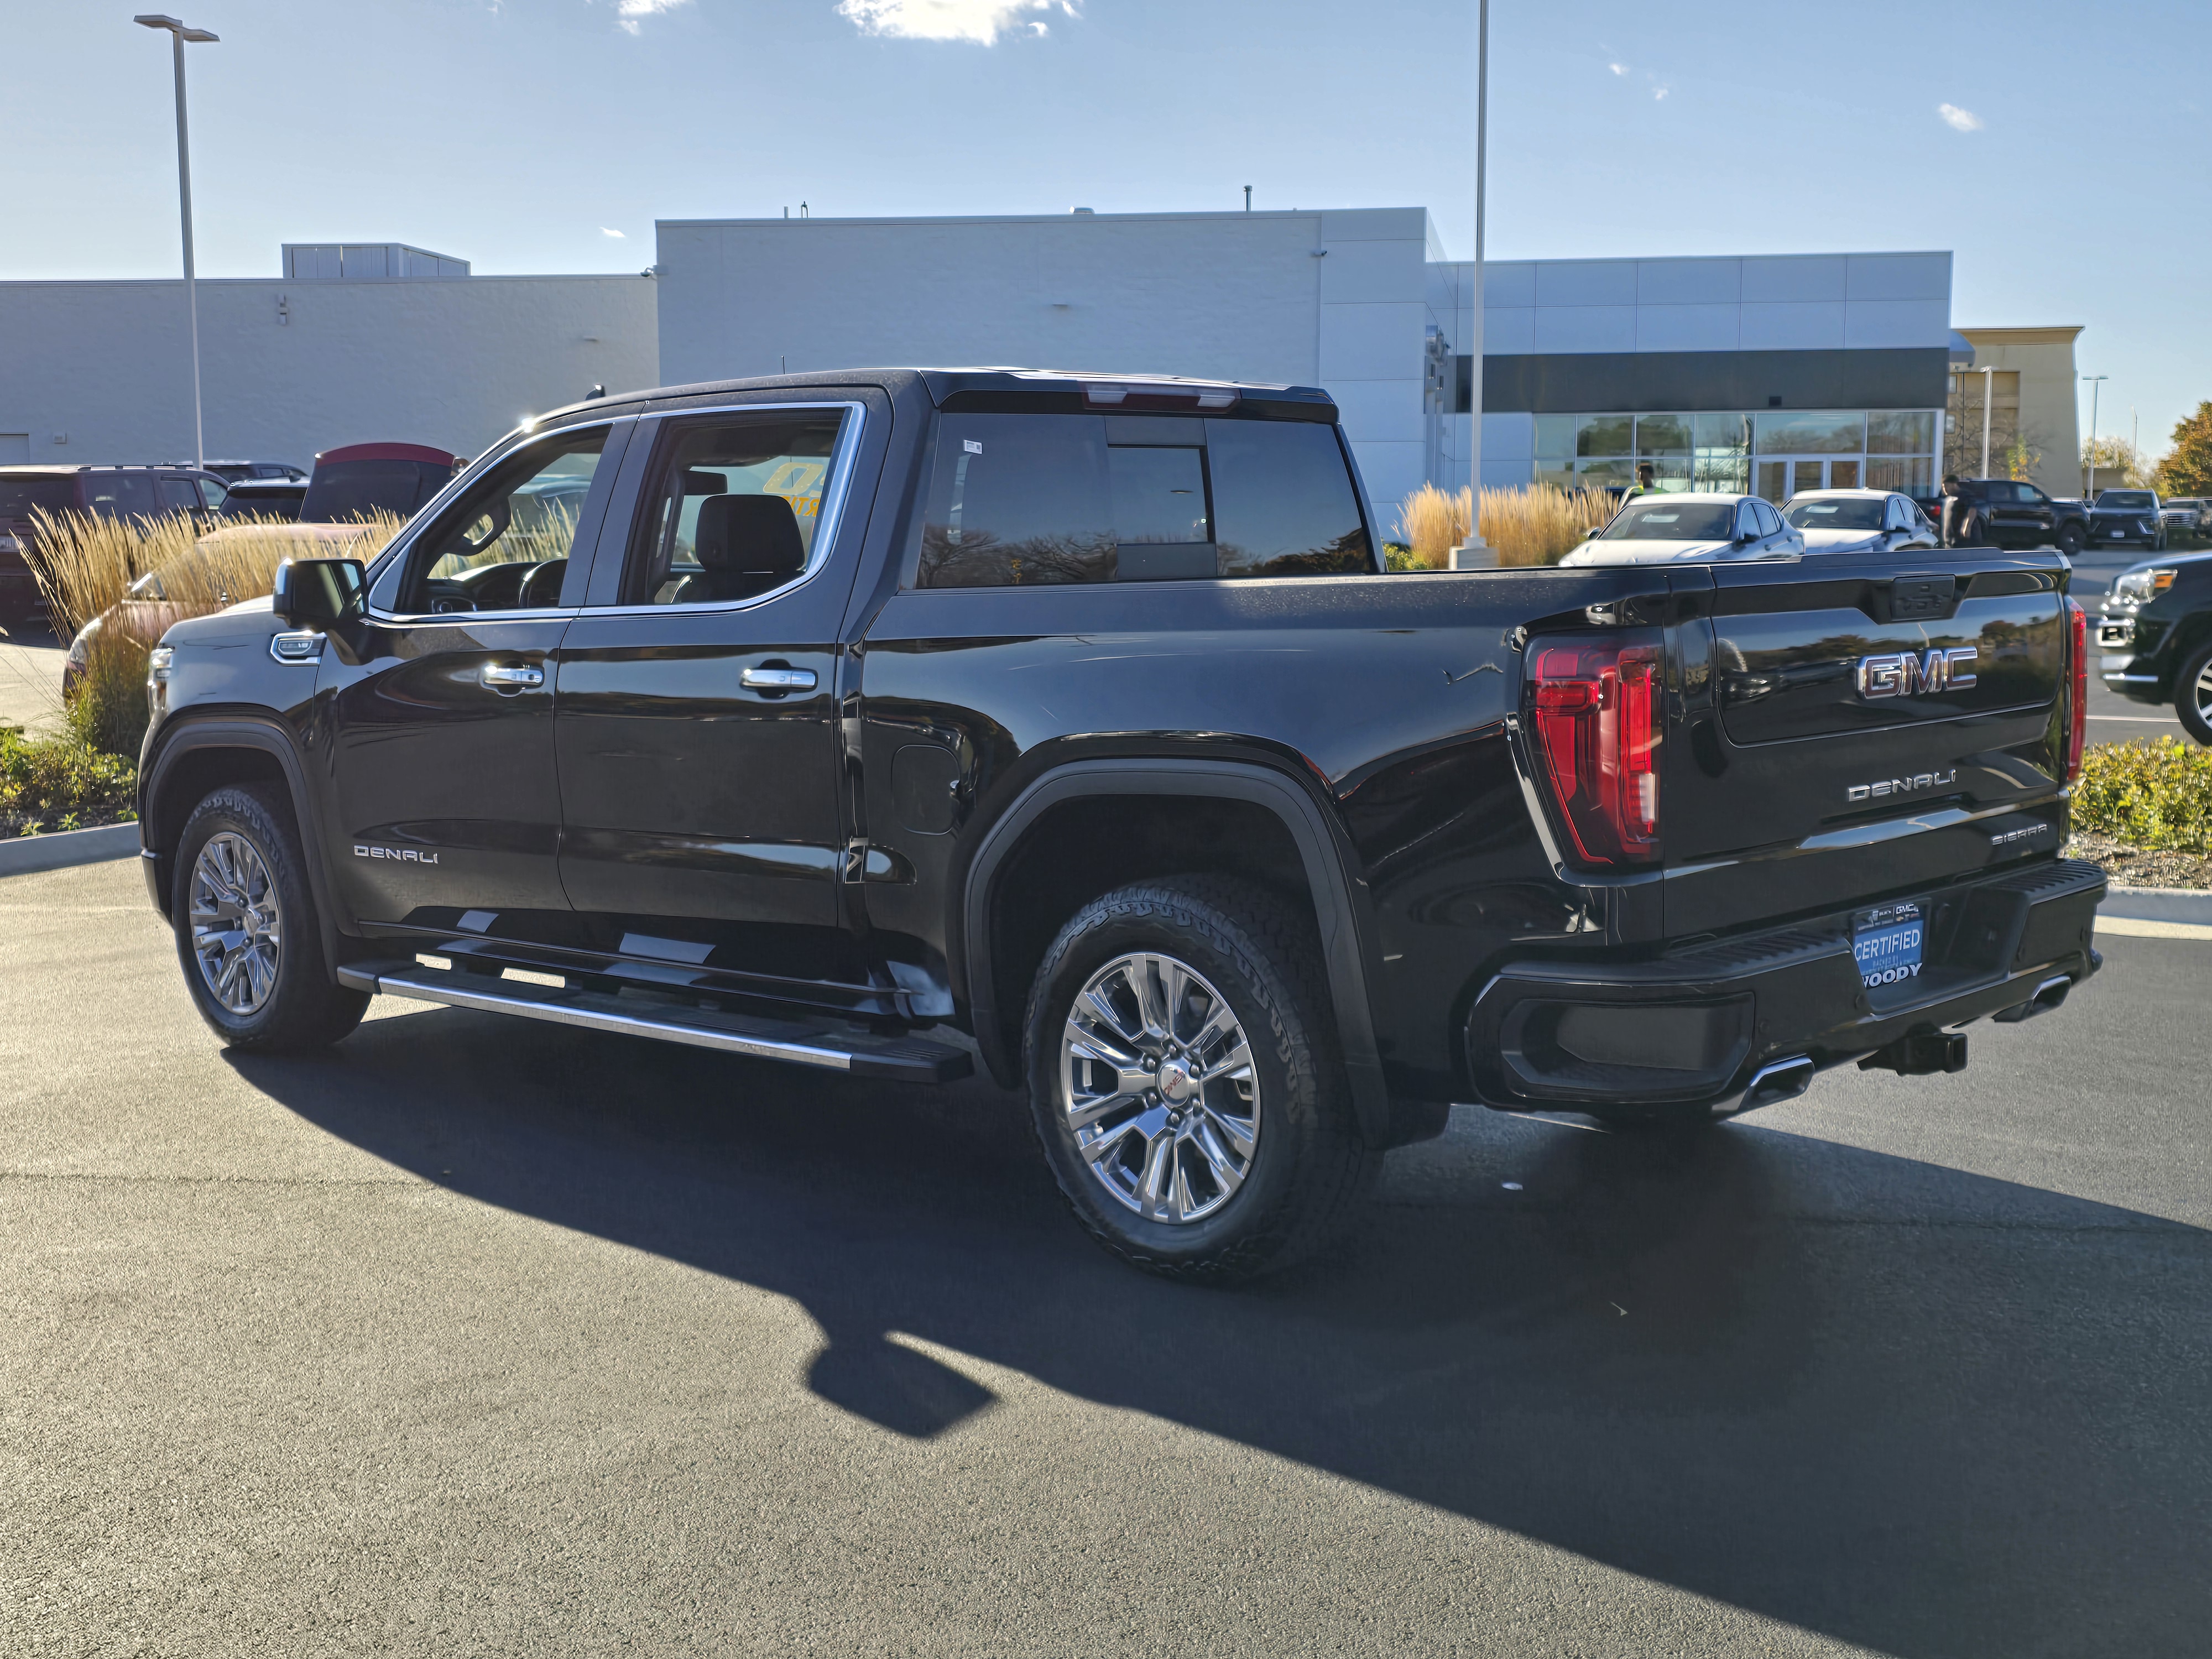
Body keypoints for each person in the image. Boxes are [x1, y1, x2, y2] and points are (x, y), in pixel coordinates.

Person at [1938, 474, 1986, 548]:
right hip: (1950, 541)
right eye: (1943, 487)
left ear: (1954, 485)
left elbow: (1972, 509)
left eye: (1947, 486)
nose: (1945, 489)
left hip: (1964, 539)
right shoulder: (1948, 499)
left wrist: (1967, 527)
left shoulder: (1965, 495)